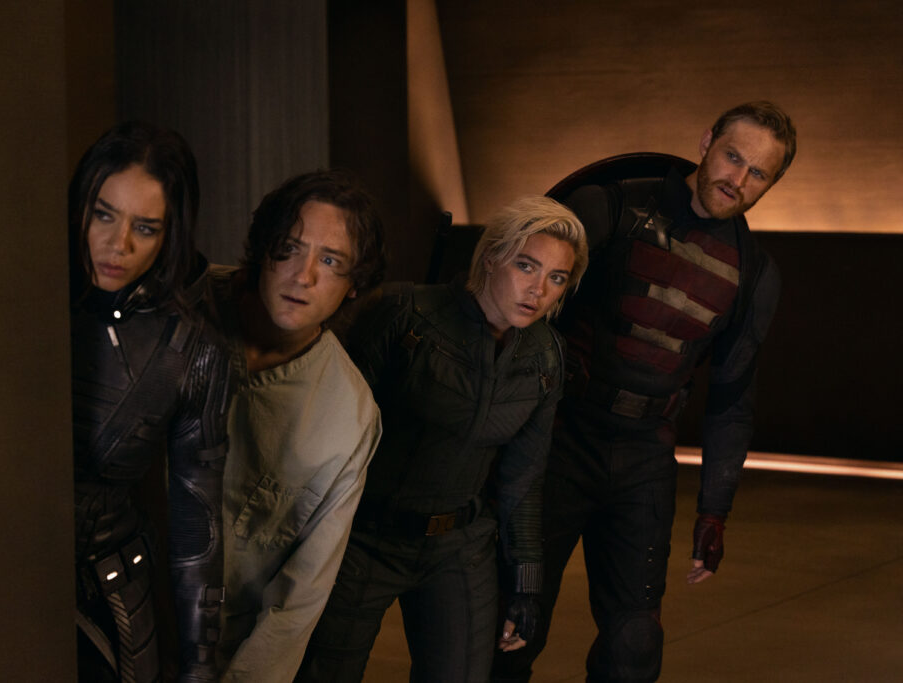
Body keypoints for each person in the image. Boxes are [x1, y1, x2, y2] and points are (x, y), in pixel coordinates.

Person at [492, 101, 796, 683]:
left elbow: (732, 396)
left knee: (633, 646)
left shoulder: (753, 274)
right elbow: (510, 314)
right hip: (557, 442)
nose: (737, 179)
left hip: (644, 461)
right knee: (510, 627)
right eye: (733, 157)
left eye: (758, 173)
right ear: (706, 142)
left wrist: (715, 509)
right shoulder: (609, 206)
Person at [296, 196, 590, 683]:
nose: (538, 290)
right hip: (364, 539)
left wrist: (525, 584)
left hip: (459, 545)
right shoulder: (404, 314)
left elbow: (523, 479)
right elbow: (321, 433)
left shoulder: (545, 355)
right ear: (491, 257)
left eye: (557, 278)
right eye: (526, 266)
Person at [70, 122, 233, 681]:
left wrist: (200, 667)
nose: (119, 245)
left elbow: (197, 524)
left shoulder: (192, 349)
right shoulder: (15, 295)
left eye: (145, 227)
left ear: (171, 234)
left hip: (107, 591)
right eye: (103, 215)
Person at [211, 169, 385, 683]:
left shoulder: (349, 416)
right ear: (262, 248)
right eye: (289, 249)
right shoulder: (180, 306)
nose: (303, 276)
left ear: (354, 286)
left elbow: (300, 595)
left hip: (218, 648)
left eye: (330, 261)